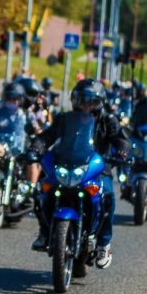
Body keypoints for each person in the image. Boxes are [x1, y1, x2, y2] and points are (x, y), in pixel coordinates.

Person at [28, 79, 129, 268]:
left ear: (98, 103)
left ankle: (103, 243)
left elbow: (120, 138)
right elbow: (48, 136)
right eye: (82, 100)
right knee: (42, 190)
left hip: (96, 169)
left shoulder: (108, 120)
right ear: (75, 100)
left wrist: (122, 150)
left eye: (91, 101)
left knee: (107, 195)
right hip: (66, 165)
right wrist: (36, 146)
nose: (86, 105)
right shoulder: (64, 119)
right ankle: (44, 231)